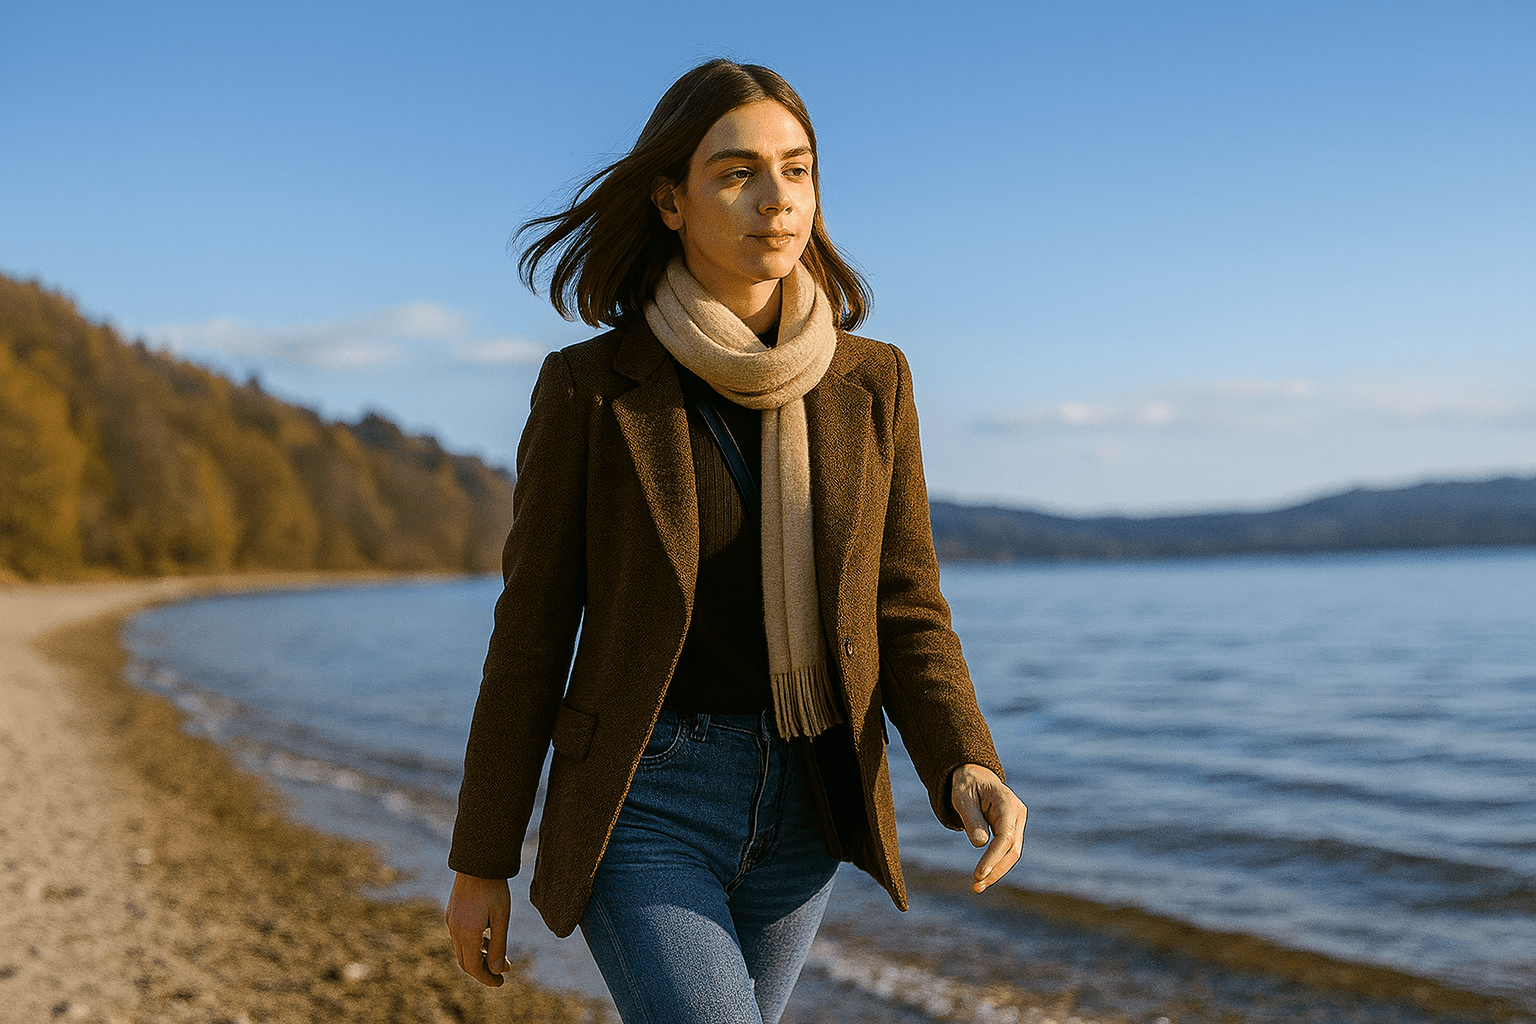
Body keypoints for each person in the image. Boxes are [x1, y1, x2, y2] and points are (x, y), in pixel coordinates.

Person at [445, 58, 1027, 1024]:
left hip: (811, 795)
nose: (776, 200)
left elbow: (905, 605)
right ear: (670, 200)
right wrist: (482, 859)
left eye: (797, 171)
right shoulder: (593, 389)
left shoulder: (871, 382)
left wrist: (967, 760)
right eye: (736, 173)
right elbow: (534, 628)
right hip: (647, 797)